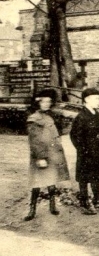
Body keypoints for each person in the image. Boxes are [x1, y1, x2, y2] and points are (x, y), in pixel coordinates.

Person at [24, 88, 70, 221]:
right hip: (42, 156)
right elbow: (34, 141)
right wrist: (40, 157)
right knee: (36, 184)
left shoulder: (49, 117)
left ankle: (52, 206)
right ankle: (32, 210)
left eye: (49, 102)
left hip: (52, 155)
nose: (47, 104)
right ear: (38, 103)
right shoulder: (34, 119)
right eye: (44, 102)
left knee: (52, 181)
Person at [70, 87, 99, 214]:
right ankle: (84, 201)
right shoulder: (81, 117)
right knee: (84, 177)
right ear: (86, 100)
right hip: (86, 153)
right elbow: (74, 136)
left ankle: (97, 199)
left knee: (96, 174)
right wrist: (82, 150)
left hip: (97, 151)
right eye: (96, 99)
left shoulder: (96, 114)